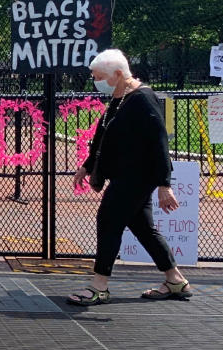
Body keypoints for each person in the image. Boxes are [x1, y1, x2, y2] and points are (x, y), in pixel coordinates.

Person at [68, 49, 190, 305]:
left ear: (119, 74)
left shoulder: (144, 99)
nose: (95, 82)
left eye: (99, 77)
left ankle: (99, 286)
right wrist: (88, 166)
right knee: (144, 228)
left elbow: (159, 143)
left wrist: (164, 184)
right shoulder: (120, 98)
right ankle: (175, 280)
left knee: (108, 221)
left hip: (136, 177)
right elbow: (103, 135)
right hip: (124, 175)